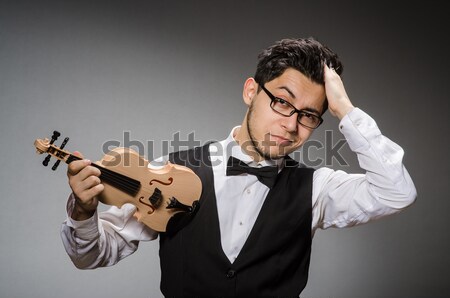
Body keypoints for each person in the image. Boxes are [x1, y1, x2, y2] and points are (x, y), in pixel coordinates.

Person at [61, 37, 417, 297]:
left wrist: (345, 110)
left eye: (309, 116)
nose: (291, 126)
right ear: (251, 92)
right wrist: (83, 209)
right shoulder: (173, 172)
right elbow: (91, 255)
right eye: (282, 102)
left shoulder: (318, 189)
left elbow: (397, 192)